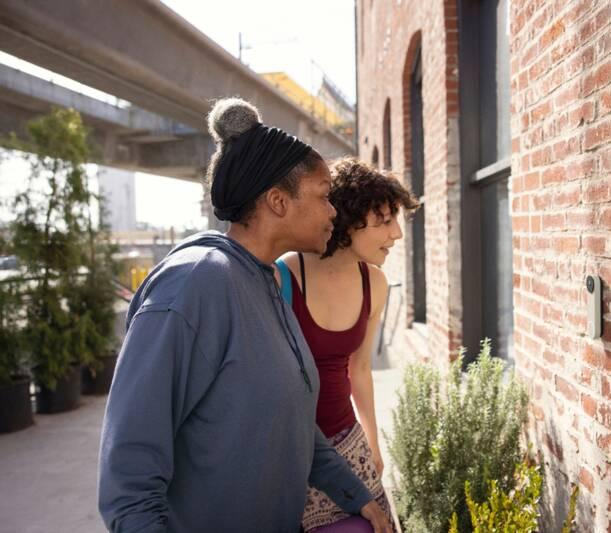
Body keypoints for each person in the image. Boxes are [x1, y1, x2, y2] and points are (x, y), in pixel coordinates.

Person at [97, 98, 392, 533]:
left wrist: (354, 493)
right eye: (324, 197)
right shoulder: (195, 284)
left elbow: (291, 421)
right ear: (277, 201)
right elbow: (129, 474)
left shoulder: (266, 280)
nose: (334, 212)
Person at [274, 158, 418, 532]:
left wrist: (372, 441)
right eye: (385, 221)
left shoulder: (376, 284)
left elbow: (360, 368)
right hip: (288, 451)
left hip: (347, 442)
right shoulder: (282, 276)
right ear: (348, 219)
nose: (397, 234)